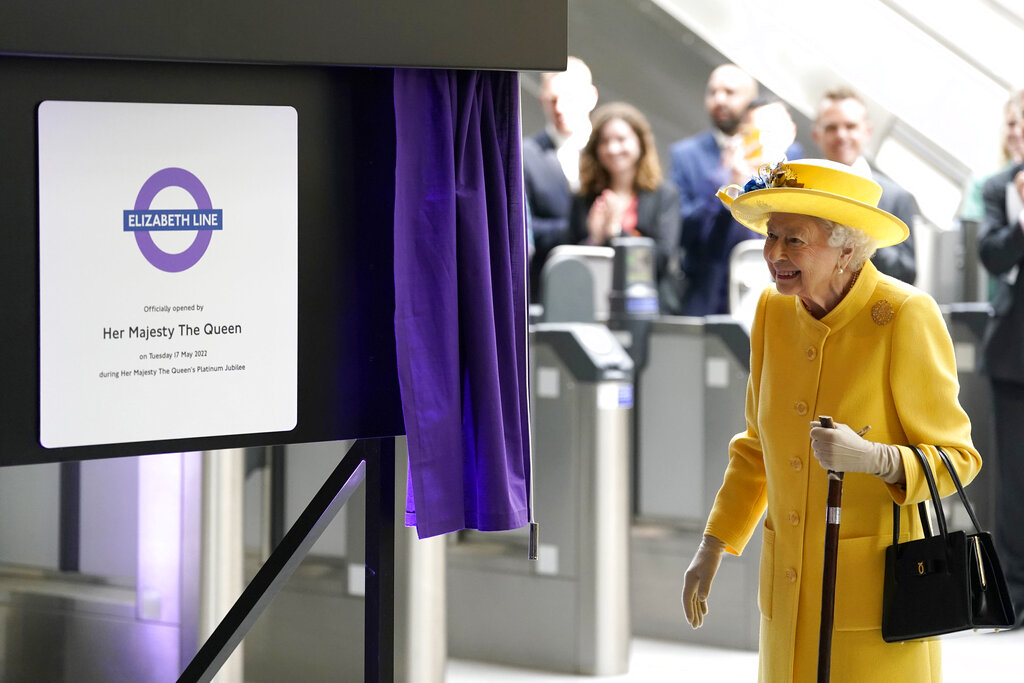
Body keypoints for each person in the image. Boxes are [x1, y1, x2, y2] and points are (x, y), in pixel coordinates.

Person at [681, 158, 981, 681]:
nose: (774, 254)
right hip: (787, 594)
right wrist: (713, 545)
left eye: (794, 240)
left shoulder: (905, 315)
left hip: (874, 603)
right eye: (772, 237)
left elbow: (958, 460)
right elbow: (757, 447)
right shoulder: (772, 312)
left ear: (847, 248)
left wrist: (875, 459)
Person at [678, 95, 799, 316]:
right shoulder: (720, 181)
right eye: (755, 133)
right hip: (719, 306)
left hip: (780, 306)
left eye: (771, 132)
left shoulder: (803, 186)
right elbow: (700, 243)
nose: (763, 141)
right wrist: (733, 185)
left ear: (790, 133)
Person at [978, 90, 1024, 628]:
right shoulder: (995, 188)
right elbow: (992, 254)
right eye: (1011, 122)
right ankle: (1014, 595)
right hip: (1013, 353)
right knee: (1014, 484)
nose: (1018, 130)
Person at [567, 102, 680, 292]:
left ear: (640, 143)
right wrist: (594, 239)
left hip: (647, 303)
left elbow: (661, 260)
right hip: (591, 296)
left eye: (621, 139)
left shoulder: (664, 195)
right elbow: (569, 259)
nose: (612, 148)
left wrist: (616, 233)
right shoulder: (585, 196)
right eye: (604, 141)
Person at [812, 87, 919, 284]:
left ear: (867, 131)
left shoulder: (896, 197)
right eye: (831, 128)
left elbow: (906, 274)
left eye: (850, 126)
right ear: (816, 135)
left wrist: (862, 228)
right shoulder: (802, 194)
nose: (841, 135)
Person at [523, 57, 599, 302]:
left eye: (569, 97)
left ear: (591, 97)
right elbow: (523, 227)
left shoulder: (611, 151)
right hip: (544, 288)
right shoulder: (523, 155)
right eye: (552, 100)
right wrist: (581, 230)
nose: (559, 108)